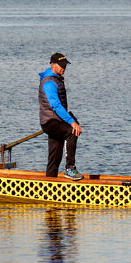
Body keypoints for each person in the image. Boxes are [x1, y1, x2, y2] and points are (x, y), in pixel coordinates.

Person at [38, 52, 82, 180]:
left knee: (55, 156)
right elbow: (56, 105)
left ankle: (49, 183)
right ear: (53, 65)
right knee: (72, 132)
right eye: (61, 65)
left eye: (65, 65)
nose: (64, 68)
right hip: (50, 122)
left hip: (56, 121)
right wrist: (71, 122)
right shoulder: (49, 83)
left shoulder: (56, 79)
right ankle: (70, 168)